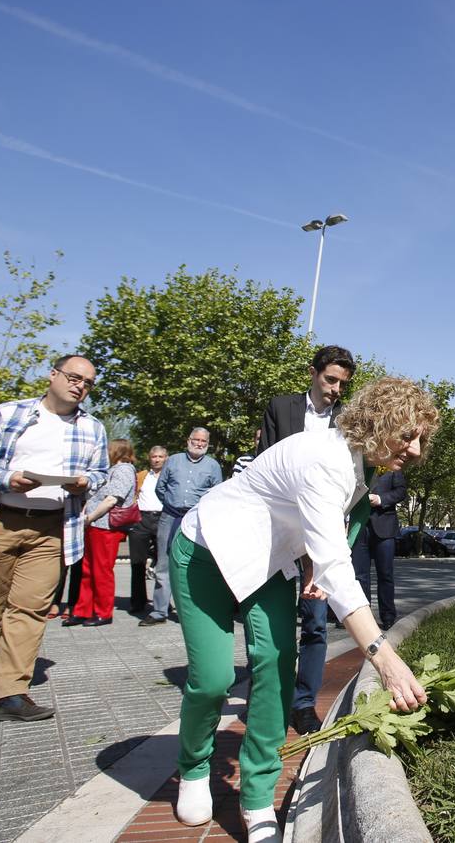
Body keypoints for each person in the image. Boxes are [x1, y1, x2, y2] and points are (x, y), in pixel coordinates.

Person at [171, 376, 437, 840]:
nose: (415, 451)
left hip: (270, 564)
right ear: (378, 422)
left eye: (421, 440)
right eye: (409, 435)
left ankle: (256, 799)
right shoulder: (324, 460)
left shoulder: (362, 465)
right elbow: (338, 563)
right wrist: (387, 660)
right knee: (212, 679)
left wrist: (310, 564)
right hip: (206, 553)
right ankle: (193, 768)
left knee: (276, 666)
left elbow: (335, 527)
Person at [0, 354, 108, 722]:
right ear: (53, 375)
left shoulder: (93, 428)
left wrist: (87, 482)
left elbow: (101, 472)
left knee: (29, 610)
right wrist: (7, 478)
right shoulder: (8, 414)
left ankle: (8, 693)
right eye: (73, 377)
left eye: (87, 382)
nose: (79, 385)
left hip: (53, 527)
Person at [256, 344, 355, 734]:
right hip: (278, 526)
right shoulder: (281, 408)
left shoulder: (347, 422)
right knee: (276, 618)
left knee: (315, 621)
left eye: (342, 384)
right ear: (313, 373)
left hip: (323, 530)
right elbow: (263, 465)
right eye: (330, 379)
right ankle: (272, 698)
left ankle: (303, 704)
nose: (335, 389)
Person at [141, 429, 222, 627]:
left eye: (204, 441)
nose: (200, 443)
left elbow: (217, 493)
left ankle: (193, 610)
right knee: (164, 563)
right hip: (170, 517)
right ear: (188, 440)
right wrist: (171, 504)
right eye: (196, 439)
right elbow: (161, 487)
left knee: (194, 565)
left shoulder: (213, 466)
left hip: (196, 520)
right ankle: (159, 611)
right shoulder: (174, 460)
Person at [66, 439, 137, 627]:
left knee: (102, 571)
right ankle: (83, 609)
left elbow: (111, 499)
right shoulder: (111, 470)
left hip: (106, 527)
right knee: (88, 569)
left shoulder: (124, 470)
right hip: (95, 525)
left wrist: (90, 518)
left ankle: (103, 612)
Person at [351, 467, 406, 630]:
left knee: (385, 575)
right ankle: (363, 619)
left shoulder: (393, 467)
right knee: (359, 576)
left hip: (385, 528)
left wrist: (381, 499)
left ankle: (388, 616)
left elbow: (401, 491)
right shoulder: (357, 465)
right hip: (359, 527)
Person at [128, 445, 167, 615]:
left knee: (164, 565)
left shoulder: (170, 476)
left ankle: (163, 603)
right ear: (149, 458)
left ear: (166, 458)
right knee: (137, 563)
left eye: (160, 456)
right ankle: (138, 601)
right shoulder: (142, 476)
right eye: (154, 456)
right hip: (141, 519)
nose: (157, 459)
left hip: (163, 519)